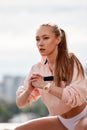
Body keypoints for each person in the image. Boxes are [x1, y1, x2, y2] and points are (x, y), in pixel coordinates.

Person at [15, 23, 87, 130]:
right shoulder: (37, 69)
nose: (40, 43)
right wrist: (29, 90)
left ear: (58, 39)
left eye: (46, 38)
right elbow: (20, 103)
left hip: (83, 116)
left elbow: (74, 98)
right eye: (37, 39)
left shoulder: (71, 62)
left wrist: (45, 85)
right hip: (61, 120)